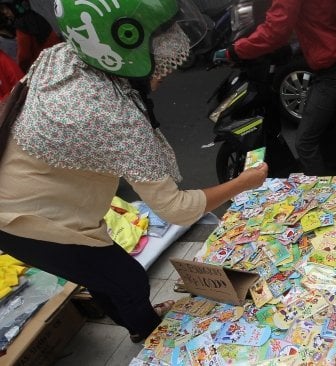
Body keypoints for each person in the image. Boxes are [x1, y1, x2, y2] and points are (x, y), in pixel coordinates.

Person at [0, 0, 267, 343]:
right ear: (127, 51)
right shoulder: (112, 116)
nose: (166, 72)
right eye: (162, 62)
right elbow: (176, 209)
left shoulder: (68, 55)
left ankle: (132, 318)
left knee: (105, 275)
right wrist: (243, 182)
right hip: (24, 220)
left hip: (37, 198)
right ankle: (146, 331)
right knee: (128, 279)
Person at [213, 0, 336, 176]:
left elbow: (275, 31)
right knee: (324, 137)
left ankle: (322, 197)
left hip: (333, 69)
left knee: (305, 143)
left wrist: (233, 51)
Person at [0, 0, 61, 72]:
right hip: (58, 54)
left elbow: (24, 56)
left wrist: (20, 71)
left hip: (47, 65)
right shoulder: (33, 15)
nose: (5, 13)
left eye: (6, 8)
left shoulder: (21, 26)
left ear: (14, 6)